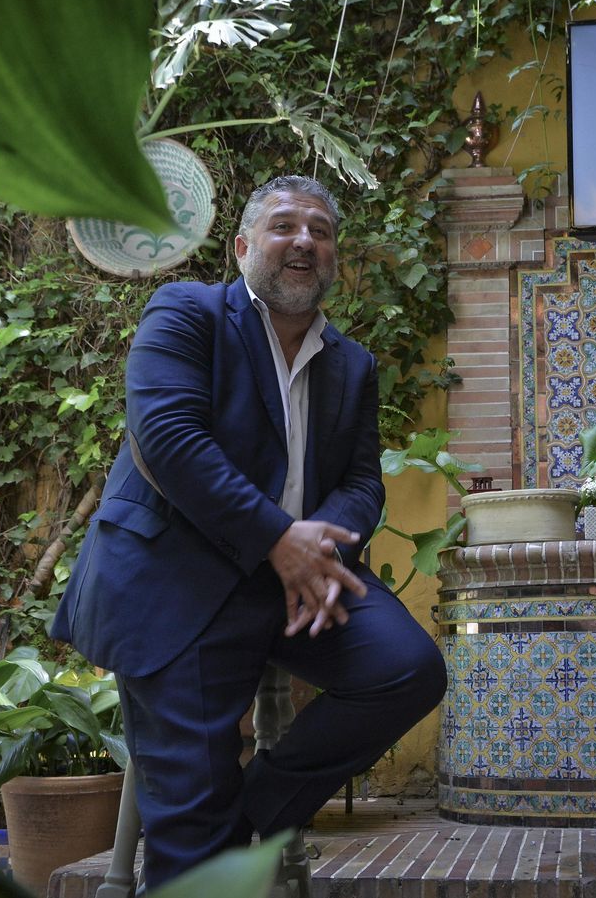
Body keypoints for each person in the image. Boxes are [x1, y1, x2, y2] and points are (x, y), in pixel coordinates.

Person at [51, 175, 446, 888]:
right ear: (242, 248)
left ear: (333, 256)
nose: (305, 241)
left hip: (295, 582)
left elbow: (362, 482)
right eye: (285, 226)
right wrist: (278, 537)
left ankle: (245, 817)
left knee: (408, 669)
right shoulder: (185, 312)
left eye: (321, 231)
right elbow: (167, 437)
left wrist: (315, 545)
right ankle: (207, 843)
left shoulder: (350, 364)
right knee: (188, 838)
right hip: (178, 579)